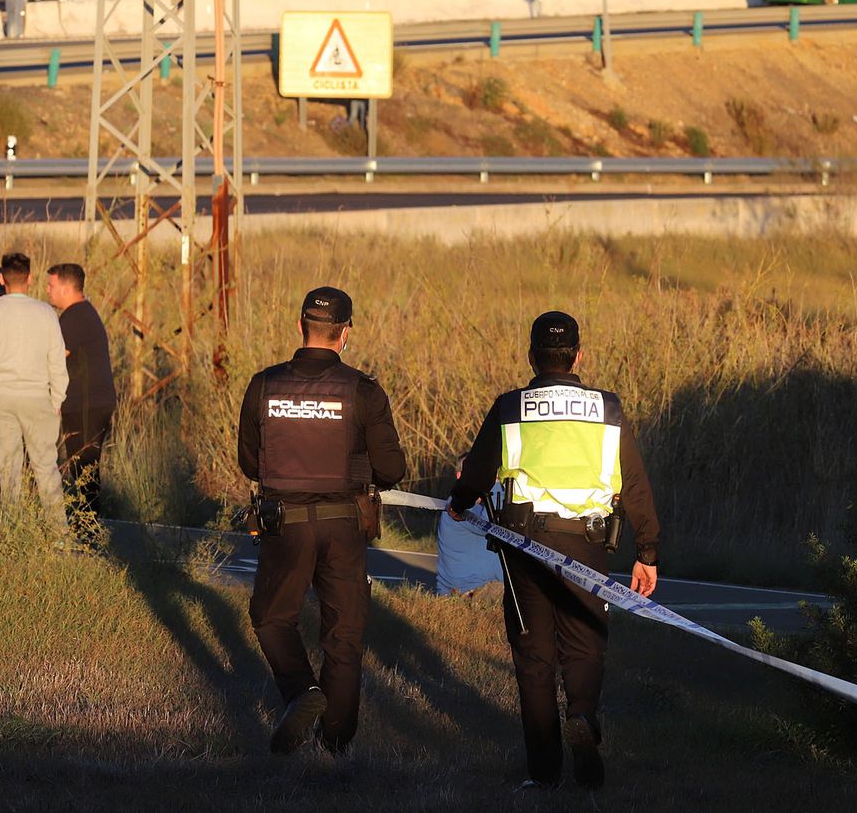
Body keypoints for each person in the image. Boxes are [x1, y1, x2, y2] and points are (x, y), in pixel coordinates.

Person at [448, 311, 661, 792]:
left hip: (524, 546)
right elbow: (636, 486)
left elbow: (477, 473)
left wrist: (459, 504)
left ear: (531, 357)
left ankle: (543, 774)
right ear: (579, 356)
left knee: (534, 658)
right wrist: (646, 552)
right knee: (585, 647)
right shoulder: (609, 409)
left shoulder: (509, 407)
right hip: (587, 546)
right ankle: (583, 717)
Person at [238, 286, 407, 757]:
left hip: (283, 524)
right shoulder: (363, 391)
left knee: (272, 617)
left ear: (300, 326)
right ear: (346, 332)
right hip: (345, 524)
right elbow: (392, 470)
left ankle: (300, 691)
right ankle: (334, 740)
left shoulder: (263, 385)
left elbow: (251, 463)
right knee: (345, 632)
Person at [0, 252, 69, 528]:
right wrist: (57, 398)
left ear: (2, 278)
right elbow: (56, 360)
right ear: (30, 277)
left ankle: (11, 528)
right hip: (37, 397)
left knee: (6, 469)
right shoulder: (46, 313)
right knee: (46, 468)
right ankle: (59, 532)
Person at [46, 263, 117, 513]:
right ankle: (86, 521)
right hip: (88, 402)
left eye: (51, 285)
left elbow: (55, 357)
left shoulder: (75, 316)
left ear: (66, 288)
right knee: (82, 466)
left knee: (84, 467)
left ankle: (87, 525)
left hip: (87, 403)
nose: (47, 291)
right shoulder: (81, 313)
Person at [436, 454, 502, 596]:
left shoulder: (475, 505)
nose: (484, 479)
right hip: (469, 592)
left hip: (478, 588)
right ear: (460, 476)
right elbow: (492, 522)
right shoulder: (457, 507)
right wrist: (496, 482)